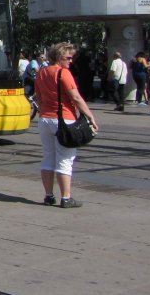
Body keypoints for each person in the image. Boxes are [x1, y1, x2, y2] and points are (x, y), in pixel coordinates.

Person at [34, 42, 98, 208]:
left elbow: (39, 98)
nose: (71, 61)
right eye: (68, 57)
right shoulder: (63, 73)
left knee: (48, 157)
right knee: (65, 159)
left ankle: (48, 196)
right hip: (64, 120)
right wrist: (90, 116)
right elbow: (76, 98)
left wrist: (44, 112)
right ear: (58, 57)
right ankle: (66, 198)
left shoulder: (41, 72)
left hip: (44, 119)